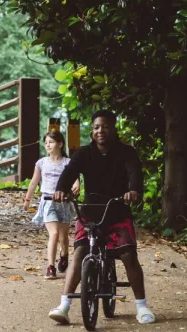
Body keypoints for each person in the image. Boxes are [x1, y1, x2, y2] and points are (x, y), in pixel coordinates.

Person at [48, 110, 156, 325]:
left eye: (105, 127)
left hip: (117, 211)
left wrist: (133, 191)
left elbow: (134, 172)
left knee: (128, 256)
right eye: (96, 127)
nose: (100, 131)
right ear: (92, 130)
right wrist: (61, 190)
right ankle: (64, 305)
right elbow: (69, 173)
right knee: (79, 252)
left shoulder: (126, 152)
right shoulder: (83, 153)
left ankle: (142, 306)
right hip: (90, 212)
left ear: (114, 129)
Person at [24, 131, 80, 279]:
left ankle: (64, 254)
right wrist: (27, 199)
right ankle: (50, 266)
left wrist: (76, 185)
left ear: (60, 144)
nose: (48, 145)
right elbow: (34, 182)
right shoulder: (41, 163)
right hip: (48, 202)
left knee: (63, 236)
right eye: (46, 142)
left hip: (65, 202)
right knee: (54, 233)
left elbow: (75, 179)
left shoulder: (68, 163)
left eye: (51, 142)